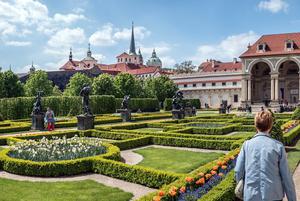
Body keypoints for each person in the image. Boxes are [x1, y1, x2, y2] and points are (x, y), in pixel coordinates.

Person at [235, 111, 296, 201]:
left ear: (255, 125)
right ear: (270, 126)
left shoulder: (246, 145)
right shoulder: (278, 146)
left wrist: (243, 186)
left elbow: (238, 171)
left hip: (251, 195)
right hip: (273, 195)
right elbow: (286, 177)